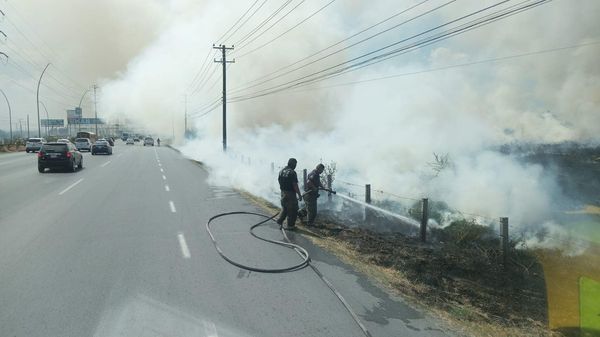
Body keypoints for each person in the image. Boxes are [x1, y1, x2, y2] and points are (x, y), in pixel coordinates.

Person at [276, 158, 302, 229]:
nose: (295, 166)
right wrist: (299, 195)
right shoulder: (292, 172)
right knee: (293, 210)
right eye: (295, 164)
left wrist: (283, 190)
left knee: (285, 207)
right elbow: (295, 185)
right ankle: (290, 226)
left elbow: (279, 180)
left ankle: (280, 220)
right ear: (293, 164)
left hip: (283, 192)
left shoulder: (281, 171)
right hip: (290, 194)